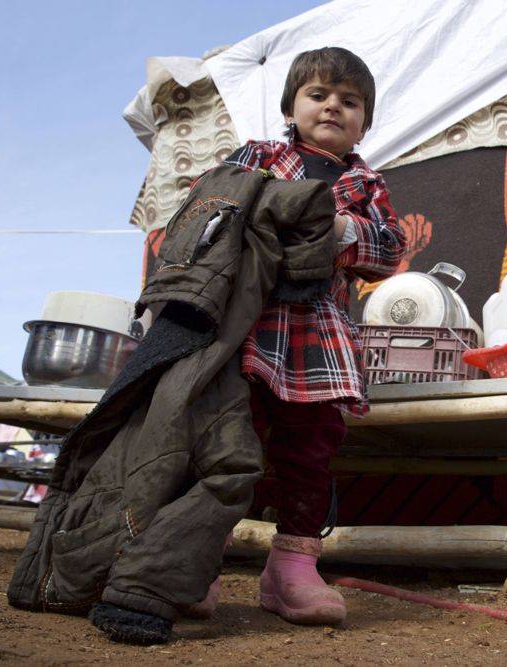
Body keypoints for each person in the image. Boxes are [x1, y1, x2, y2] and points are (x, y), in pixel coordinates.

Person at [196, 47, 404, 625]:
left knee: (310, 449)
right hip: (246, 326)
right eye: (318, 94)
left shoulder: (365, 183)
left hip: (319, 335)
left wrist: (339, 227)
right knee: (225, 440)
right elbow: (210, 209)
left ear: (365, 120)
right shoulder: (260, 156)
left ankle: (291, 569)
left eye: (350, 101)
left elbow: (389, 251)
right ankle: (195, 561)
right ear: (291, 104)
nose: (333, 106)